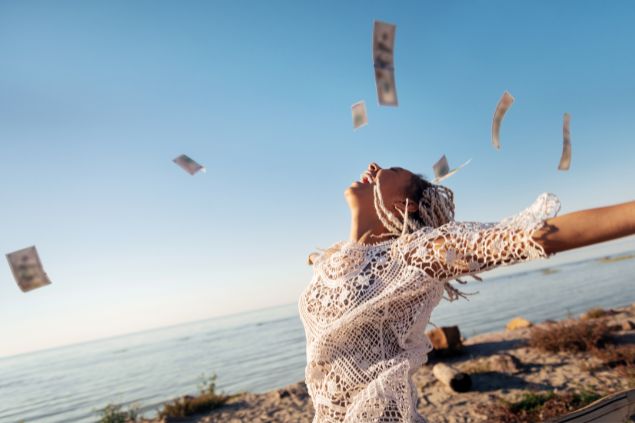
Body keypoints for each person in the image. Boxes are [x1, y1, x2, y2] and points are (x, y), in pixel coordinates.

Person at [298, 162, 635, 423]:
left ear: (405, 205)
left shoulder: (413, 255)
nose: (373, 166)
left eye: (393, 169)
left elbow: (533, 237)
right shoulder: (331, 260)